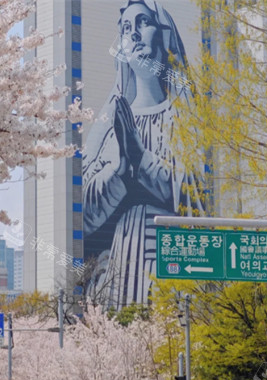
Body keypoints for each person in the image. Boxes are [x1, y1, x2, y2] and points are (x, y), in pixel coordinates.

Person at [83, 0, 205, 310]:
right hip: (124, 255)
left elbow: (194, 196)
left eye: (143, 23)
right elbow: (84, 211)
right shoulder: (112, 122)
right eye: (126, 28)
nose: (134, 34)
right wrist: (122, 170)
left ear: (164, 37)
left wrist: (141, 158)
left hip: (176, 254)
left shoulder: (185, 117)